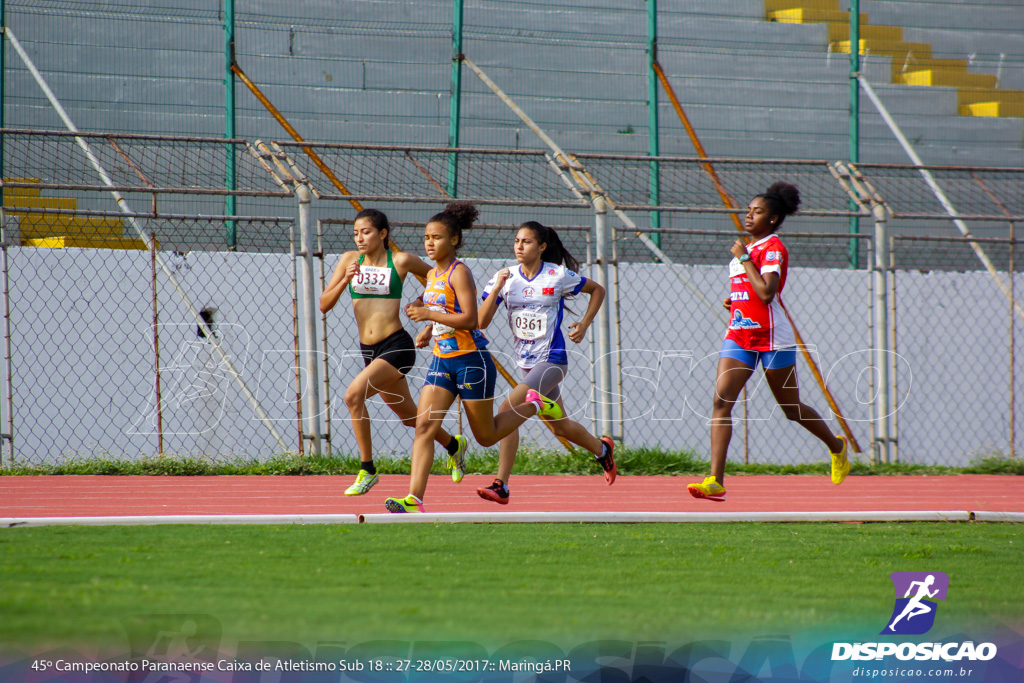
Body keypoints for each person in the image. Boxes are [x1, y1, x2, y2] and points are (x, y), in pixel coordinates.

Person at [385, 202, 561, 513]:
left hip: (471, 361)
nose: (429, 242)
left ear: (453, 240)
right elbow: (442, 308)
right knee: (425, 427)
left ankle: (535, 404)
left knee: (486, 436)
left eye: (437, 237)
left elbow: (470, 320)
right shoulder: (433, 275)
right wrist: (429, 327)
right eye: (426, 237)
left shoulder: (459, 272)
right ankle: (414, 499)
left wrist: (427, 312)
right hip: (442, 360)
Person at [687, 182, 849, 502]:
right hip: (740, 335)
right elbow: (750, 293)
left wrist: (745, 258)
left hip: (773, 338)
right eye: (748, 210)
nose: (749, 216)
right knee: (721, 402)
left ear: (773, 219)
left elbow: (766, 292)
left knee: (791, 408)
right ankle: (715, 481)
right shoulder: (746, 252)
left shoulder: (771, 248)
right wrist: (734, 301)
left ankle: (836, 446)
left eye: (757, 212)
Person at [320, 208, 468, 496]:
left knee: (353, 396)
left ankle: (368, 470)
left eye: (366, 232)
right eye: (356, 233)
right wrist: (344, 280)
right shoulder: (350, 260)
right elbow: (325, 304)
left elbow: (439, 279)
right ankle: (453, 444)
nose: (360, 238)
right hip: (368, 350)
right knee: (411, 417)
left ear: (382, 234)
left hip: (397, 346)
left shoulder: (400, 261)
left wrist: (426, 312)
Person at [475, 221, 616, 504]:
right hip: (525, 363)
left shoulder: (558, 275)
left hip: (552, 361)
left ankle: (501, 485)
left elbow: (598, 290)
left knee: (507, 411)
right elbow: (481, 322)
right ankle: (602, 450)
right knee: (560, 427)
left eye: (526, 242)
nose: (519, 246)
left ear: (541, 247)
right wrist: (498, 288)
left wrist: (585, 324)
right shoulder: (505, 277)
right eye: (516, 241)